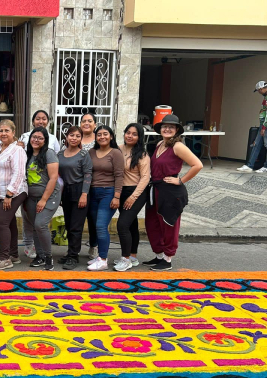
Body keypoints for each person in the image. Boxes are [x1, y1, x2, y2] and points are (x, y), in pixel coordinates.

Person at [145, 114, 202, 271]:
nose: (167, 129)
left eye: (171, 127)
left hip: (171, 191)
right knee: (153, 223)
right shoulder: (159, 144)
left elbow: (197, 165)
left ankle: (168, 258)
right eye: (164, 126)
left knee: (169, 224)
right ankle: (159, 256)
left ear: (177, 130)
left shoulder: (178, 146)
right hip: (156, 189)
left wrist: (181, 180)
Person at [18, 110, 61, 259]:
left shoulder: (49, 153)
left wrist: (43, 200)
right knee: (33, 225)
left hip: (47, 196)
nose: (36, 140)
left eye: (40, 138)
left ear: (45, 140)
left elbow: (53, 178)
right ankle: (40, 256)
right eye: (34, 137)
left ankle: (47, 257)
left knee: (40, 224)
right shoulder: (27, 153)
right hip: (30, 197)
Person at [0, 120, 28, 271]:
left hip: (14, 191)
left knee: (2, 223)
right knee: (10, 222)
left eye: (7, 131)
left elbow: (18, 173)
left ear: (14, 132)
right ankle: (13, 254)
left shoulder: (17, 150)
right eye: (1, 131)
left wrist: (9, 195)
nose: (3, 133)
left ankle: (5, 258)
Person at [87, 125, 124, 271]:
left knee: (101, 226)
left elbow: (119, 175)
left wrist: (116, 196)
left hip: (108, 193)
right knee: (95, 226)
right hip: (92, 193)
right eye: (99, 134)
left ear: (111, 137)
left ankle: (103, 259)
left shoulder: (115, 153)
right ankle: (99, 257)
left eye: (105, 134)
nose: (102, 137)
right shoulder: (91, 152)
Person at [114, 123, 151, 272]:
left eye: (134, 134)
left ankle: (126, 259)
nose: (130, 136)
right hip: (121, 190)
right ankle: (133, 256)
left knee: (122, 224)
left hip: (137, 192)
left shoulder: (142, 155)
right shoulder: (118, 149)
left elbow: (145, 178)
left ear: (139, 137)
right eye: (128, 132)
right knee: (131, 224)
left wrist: (133, 197)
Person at [57, 126, 92, 270]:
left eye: (78, 136)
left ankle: (73, 256)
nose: (74, 138)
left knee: (76, 226)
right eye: (71, 135)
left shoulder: (84, 155)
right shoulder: (60, 154)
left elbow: (88, 175)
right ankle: (70, 252)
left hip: (79, 191)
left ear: (80, 139)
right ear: (67, 137)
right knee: (69, 223)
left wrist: (84, 194)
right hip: (66, 191)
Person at [237, 81, 267, 174]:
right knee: (256, 144)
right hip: (265, 124)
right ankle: (249, 166)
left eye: (259, 91)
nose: (259, 93)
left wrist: (264, 127)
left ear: (261, 89)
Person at [79, 113, 99, 260]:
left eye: (90, 121)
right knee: (75, 219)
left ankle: (94, 246)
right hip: (76, 185)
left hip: (96, 184)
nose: (87, 123)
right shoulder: (75, 138)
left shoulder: (100, 139)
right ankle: (73, 249)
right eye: (84, 121)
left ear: (95, 124)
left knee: (93, 218)